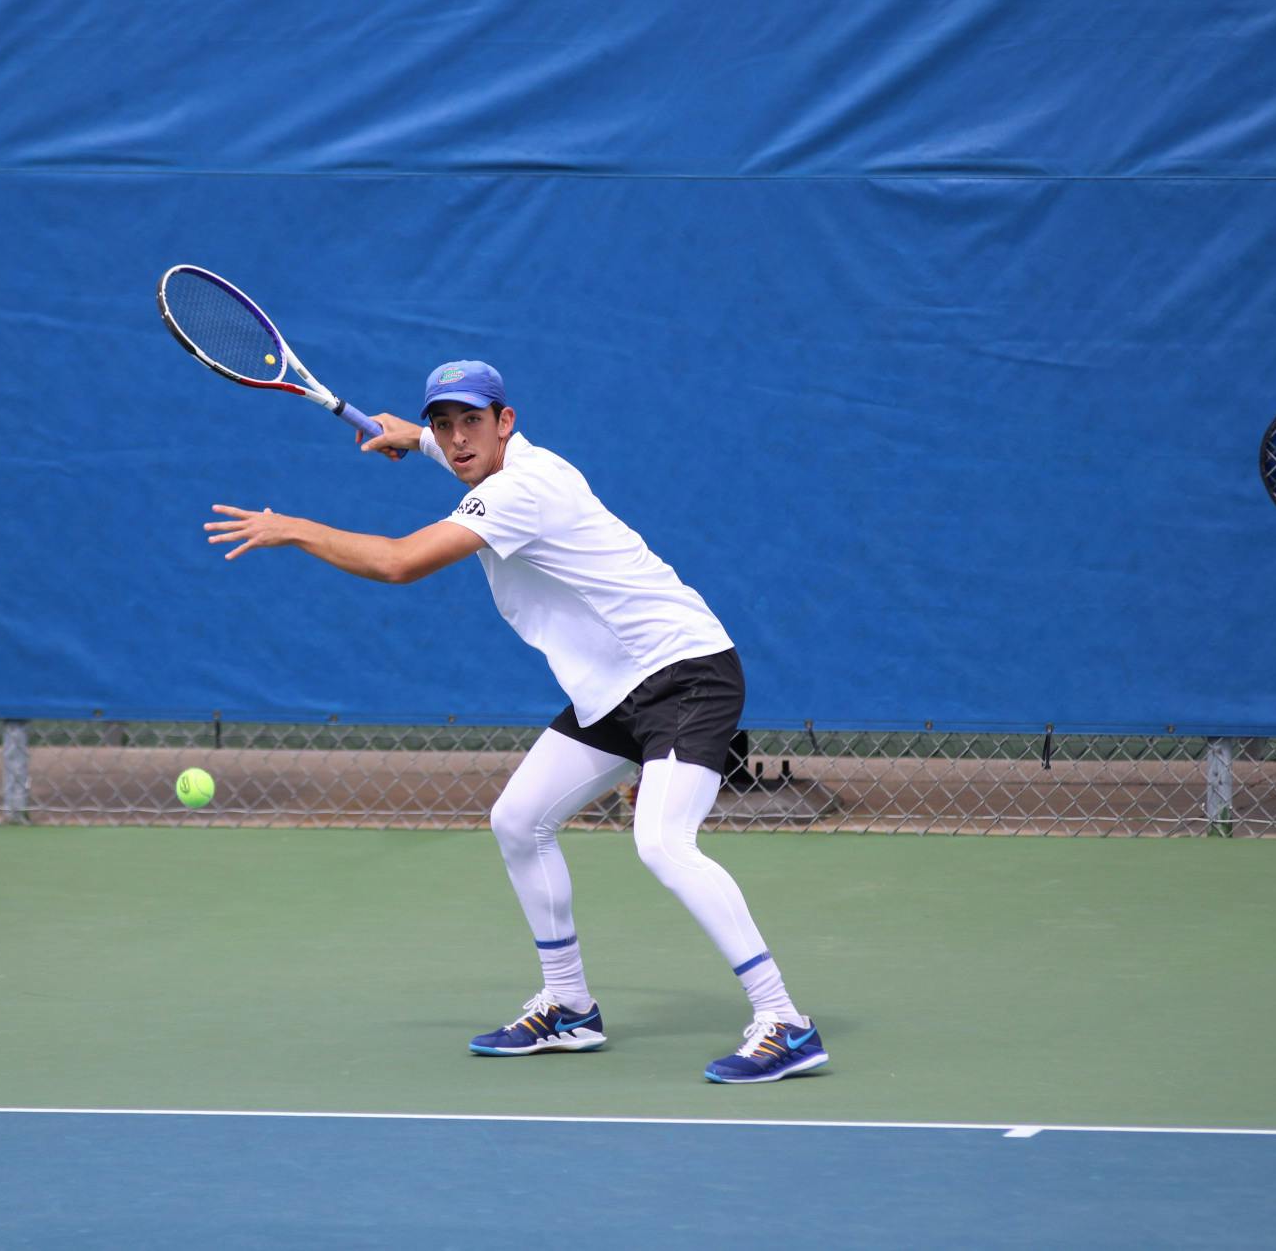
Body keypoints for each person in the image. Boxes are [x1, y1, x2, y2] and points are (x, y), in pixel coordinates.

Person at [203, 360, 825, 1083]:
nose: (457, 439)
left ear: (507, 422)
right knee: (518, 820)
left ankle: (785, 1020)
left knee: (661, 842)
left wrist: (295, 529)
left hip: (684, 672)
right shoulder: (497, 462)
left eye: (472, 421)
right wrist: (415, 437)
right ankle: (569, 1006)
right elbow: (458, 456)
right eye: (444, 424)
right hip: (613, 688)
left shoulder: (522, 490)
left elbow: (400, 563)